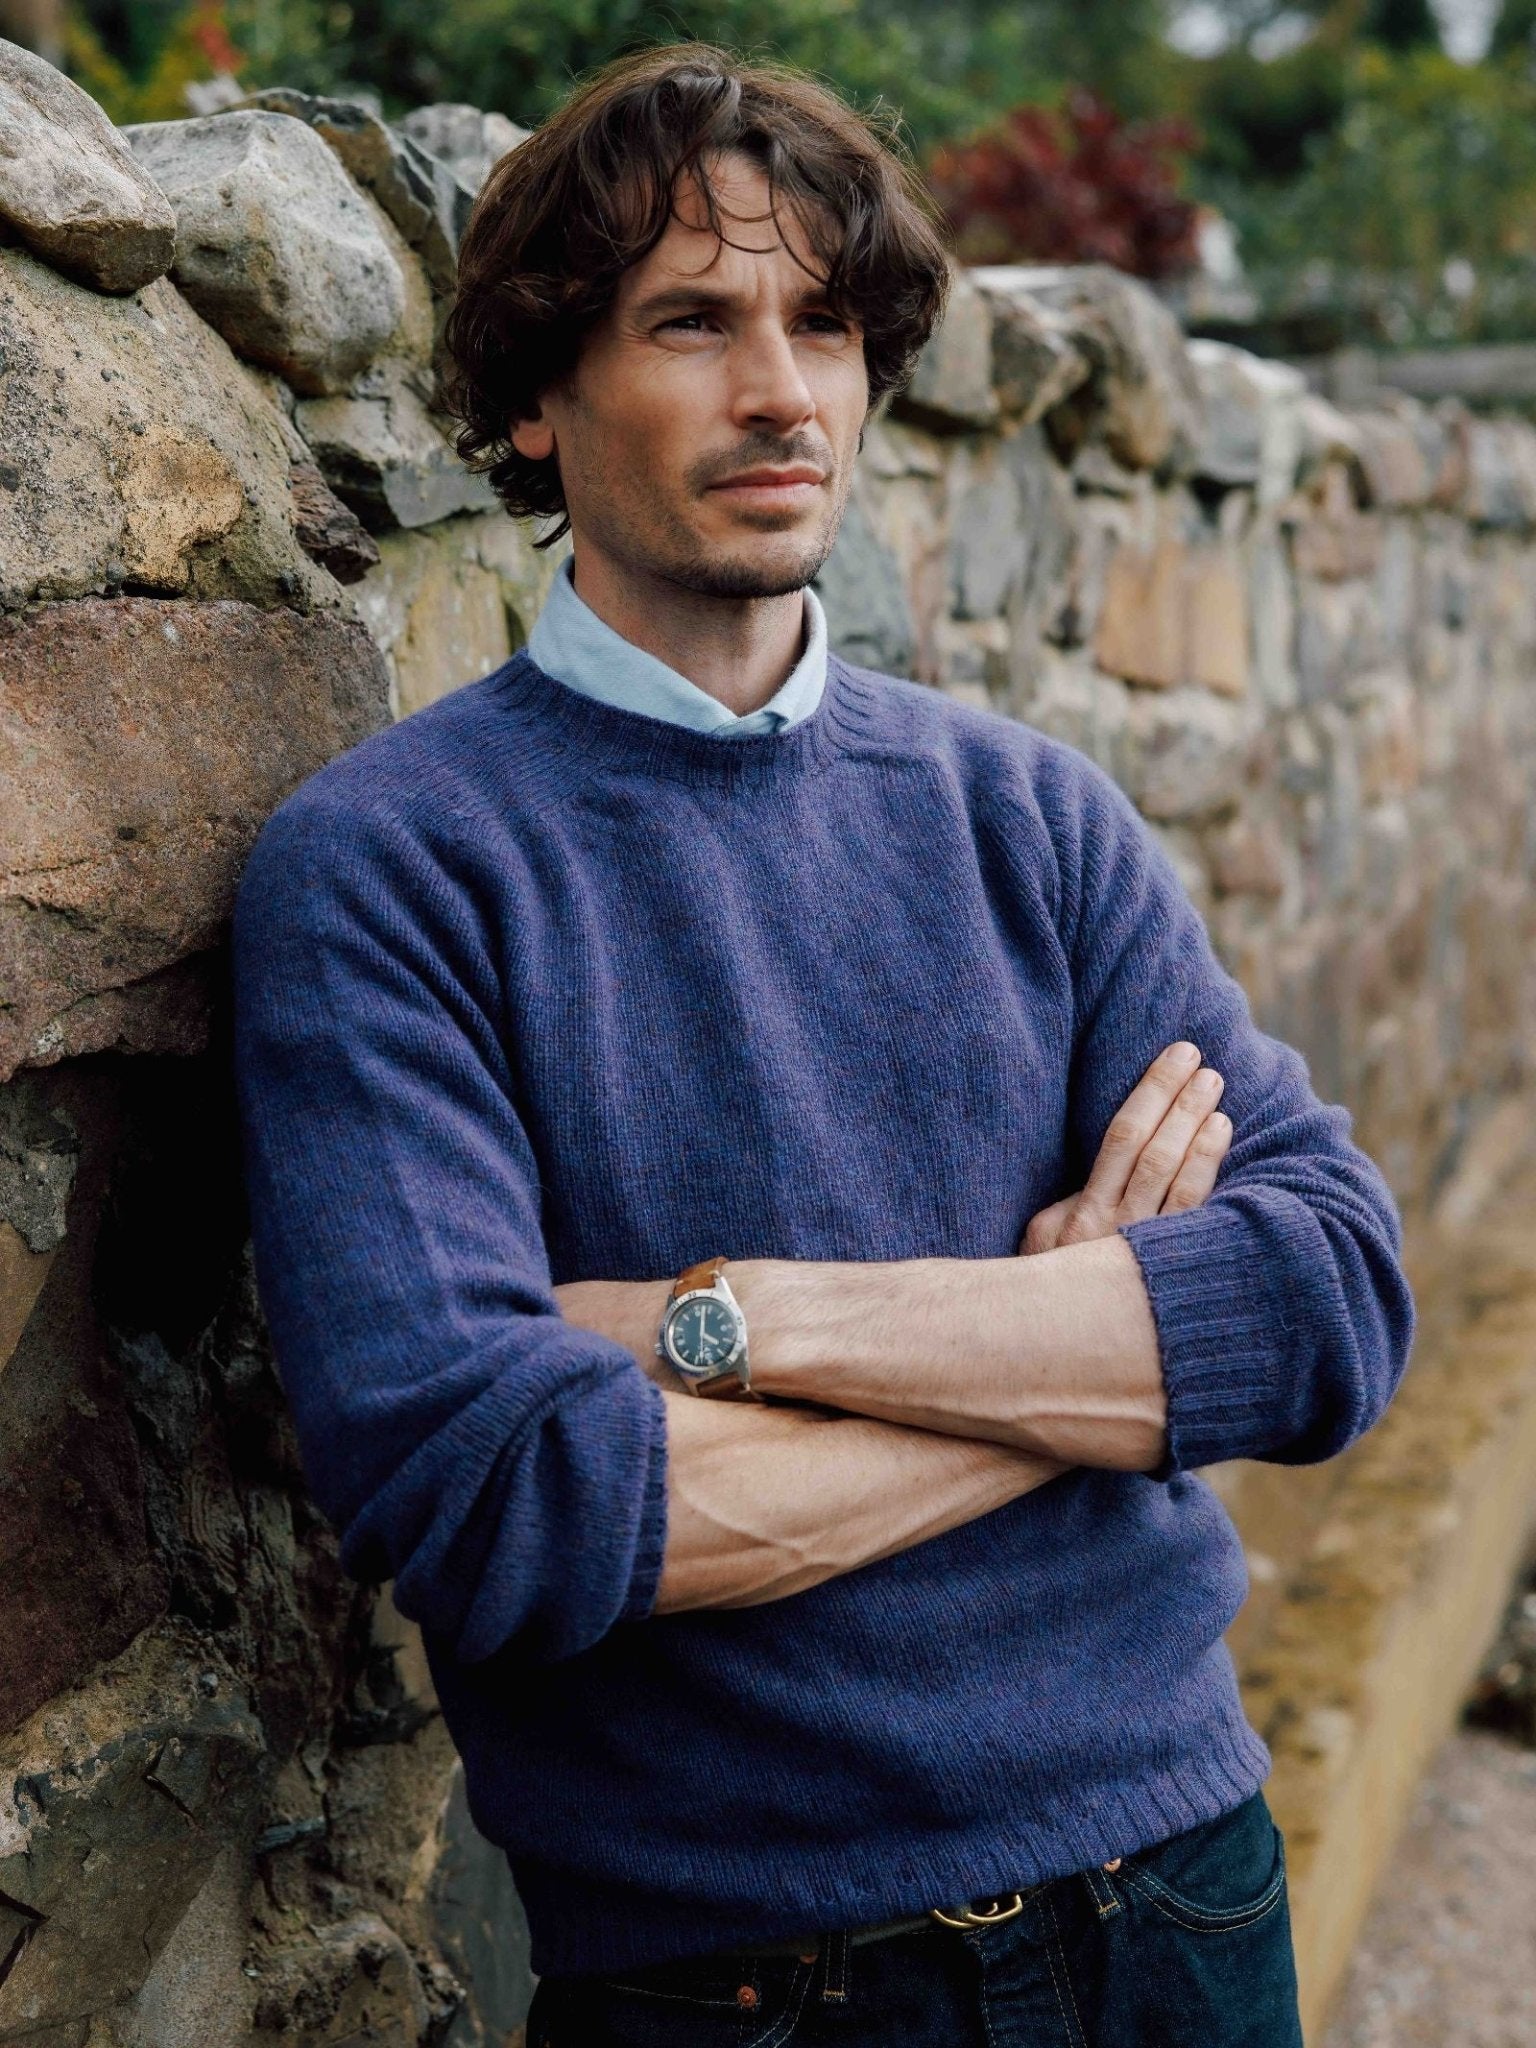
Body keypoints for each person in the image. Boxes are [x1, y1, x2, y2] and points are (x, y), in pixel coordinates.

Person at [231, 44, 1415, 2047]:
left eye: (828, 325)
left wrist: (725, 1319)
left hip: (1191, 1898)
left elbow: (1328, 1297)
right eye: (693, 321)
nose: (785, 390)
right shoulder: (389, 874)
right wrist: (1070, 1357)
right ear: (533, 398)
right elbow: (498, 1494)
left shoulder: (1026, 814)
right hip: (757, 1984)